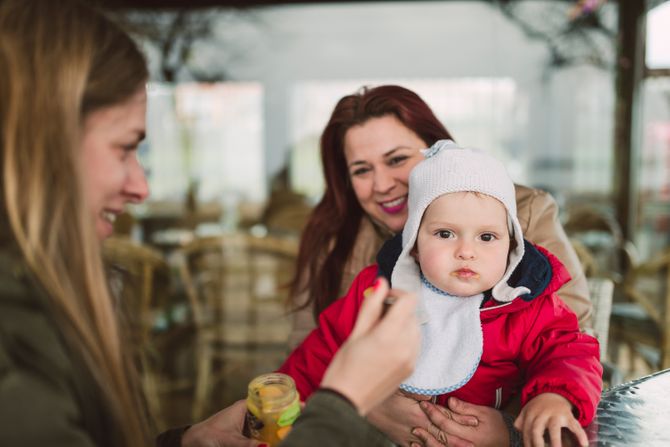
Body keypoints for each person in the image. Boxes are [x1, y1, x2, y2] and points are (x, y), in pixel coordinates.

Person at [0, 1, 420, 446]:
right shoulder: (18, 327)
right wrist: (347, 402)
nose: (142, 188)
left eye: (397, 160)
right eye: (125, 148)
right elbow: (304, 368)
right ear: (40, 146)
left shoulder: (39, 301)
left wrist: (182, 443)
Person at [287, 84, 593, 446]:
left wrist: (512, 429)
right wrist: (362, 405)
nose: (383, 184)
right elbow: (315, 353)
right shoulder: (361, 266)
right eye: (361, 170)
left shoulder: (521, 233)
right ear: (414, 248)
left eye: (397, 159)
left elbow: (571, 346)